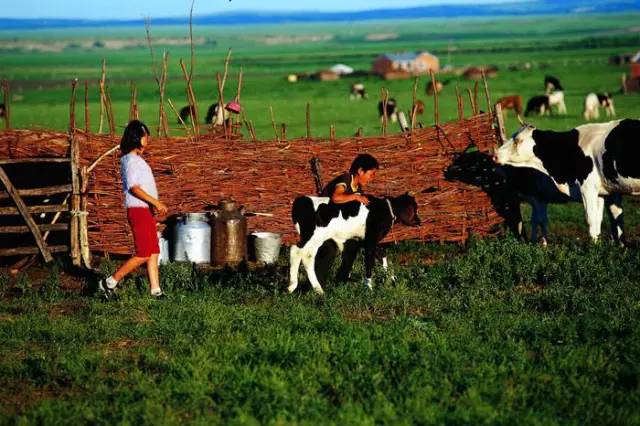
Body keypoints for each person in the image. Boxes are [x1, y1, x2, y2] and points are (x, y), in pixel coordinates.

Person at [99, 120, 168, 299]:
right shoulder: (131, 161)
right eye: (145, 134)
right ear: (137, 137)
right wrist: (156, 203)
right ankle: (110, 282)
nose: (147, 138)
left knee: (153, 250)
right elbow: (134, 187)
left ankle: (155, 290)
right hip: (138, 210)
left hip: (145, 210)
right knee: (144, 252)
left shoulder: (136, 159)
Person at [315, 153, 379, 285]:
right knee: (330, 249)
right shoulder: (346, 179)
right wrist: (356, 197)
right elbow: (336, 198)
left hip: (336, 224)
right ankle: (316, 285)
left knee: (353, 245)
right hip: (322, 221)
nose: (372, 178)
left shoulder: (358, 188)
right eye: (371, 174)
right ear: (360, 171)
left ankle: (342, 278)